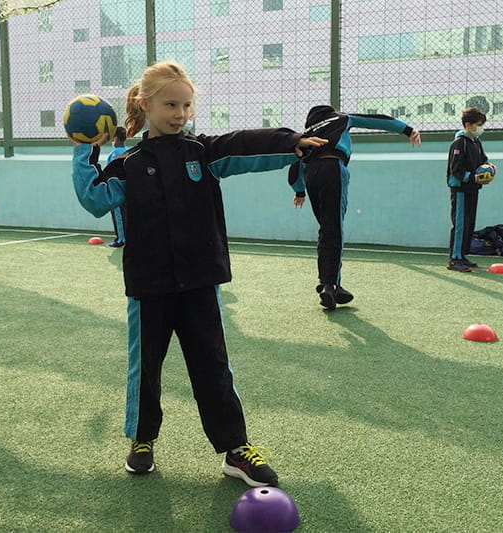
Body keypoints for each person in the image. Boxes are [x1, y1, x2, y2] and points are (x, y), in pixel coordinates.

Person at [69, 61, 326, 487]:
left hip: (200, 283)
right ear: (144, 104)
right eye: (170, 104)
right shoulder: (127, 164)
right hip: (149, 287)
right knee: (145, 367)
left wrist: (292, 141)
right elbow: (94, 199)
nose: (179, 113)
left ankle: (235, 448)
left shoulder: (202, 154)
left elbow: (243, 144)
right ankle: (142, 439)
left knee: (213, 365)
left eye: (186, 105)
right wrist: (82, 148)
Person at [288, 105, 421, 310]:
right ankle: (330, 285)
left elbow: (295, 168)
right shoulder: (340, 118)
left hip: (312, 174)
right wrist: (407, 129)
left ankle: (330, 282)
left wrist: (299, 192)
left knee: (326, 228)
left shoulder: (308, 134)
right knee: (334, 229)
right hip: (333, 168)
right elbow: (376, 120)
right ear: (330, 112)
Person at [445, 107, 495, 272]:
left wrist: (489, 169)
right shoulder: (459, 143)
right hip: (460, 190)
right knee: (460, 224)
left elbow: (483, 161)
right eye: (478, 124)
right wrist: (471, 177)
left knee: (469, 224)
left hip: (473, 189)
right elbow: (456, 170)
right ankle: (454, 259)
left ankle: (462, 256)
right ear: (468, 124)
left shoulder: (476, 142)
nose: (481, 128)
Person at [105, 126, 128, 248]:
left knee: (118, 215)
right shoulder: (128, 151)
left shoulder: (115, 154)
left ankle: (121, 239)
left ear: (115, 138)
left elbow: (111, 173)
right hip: (127, 190)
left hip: (117, 192)